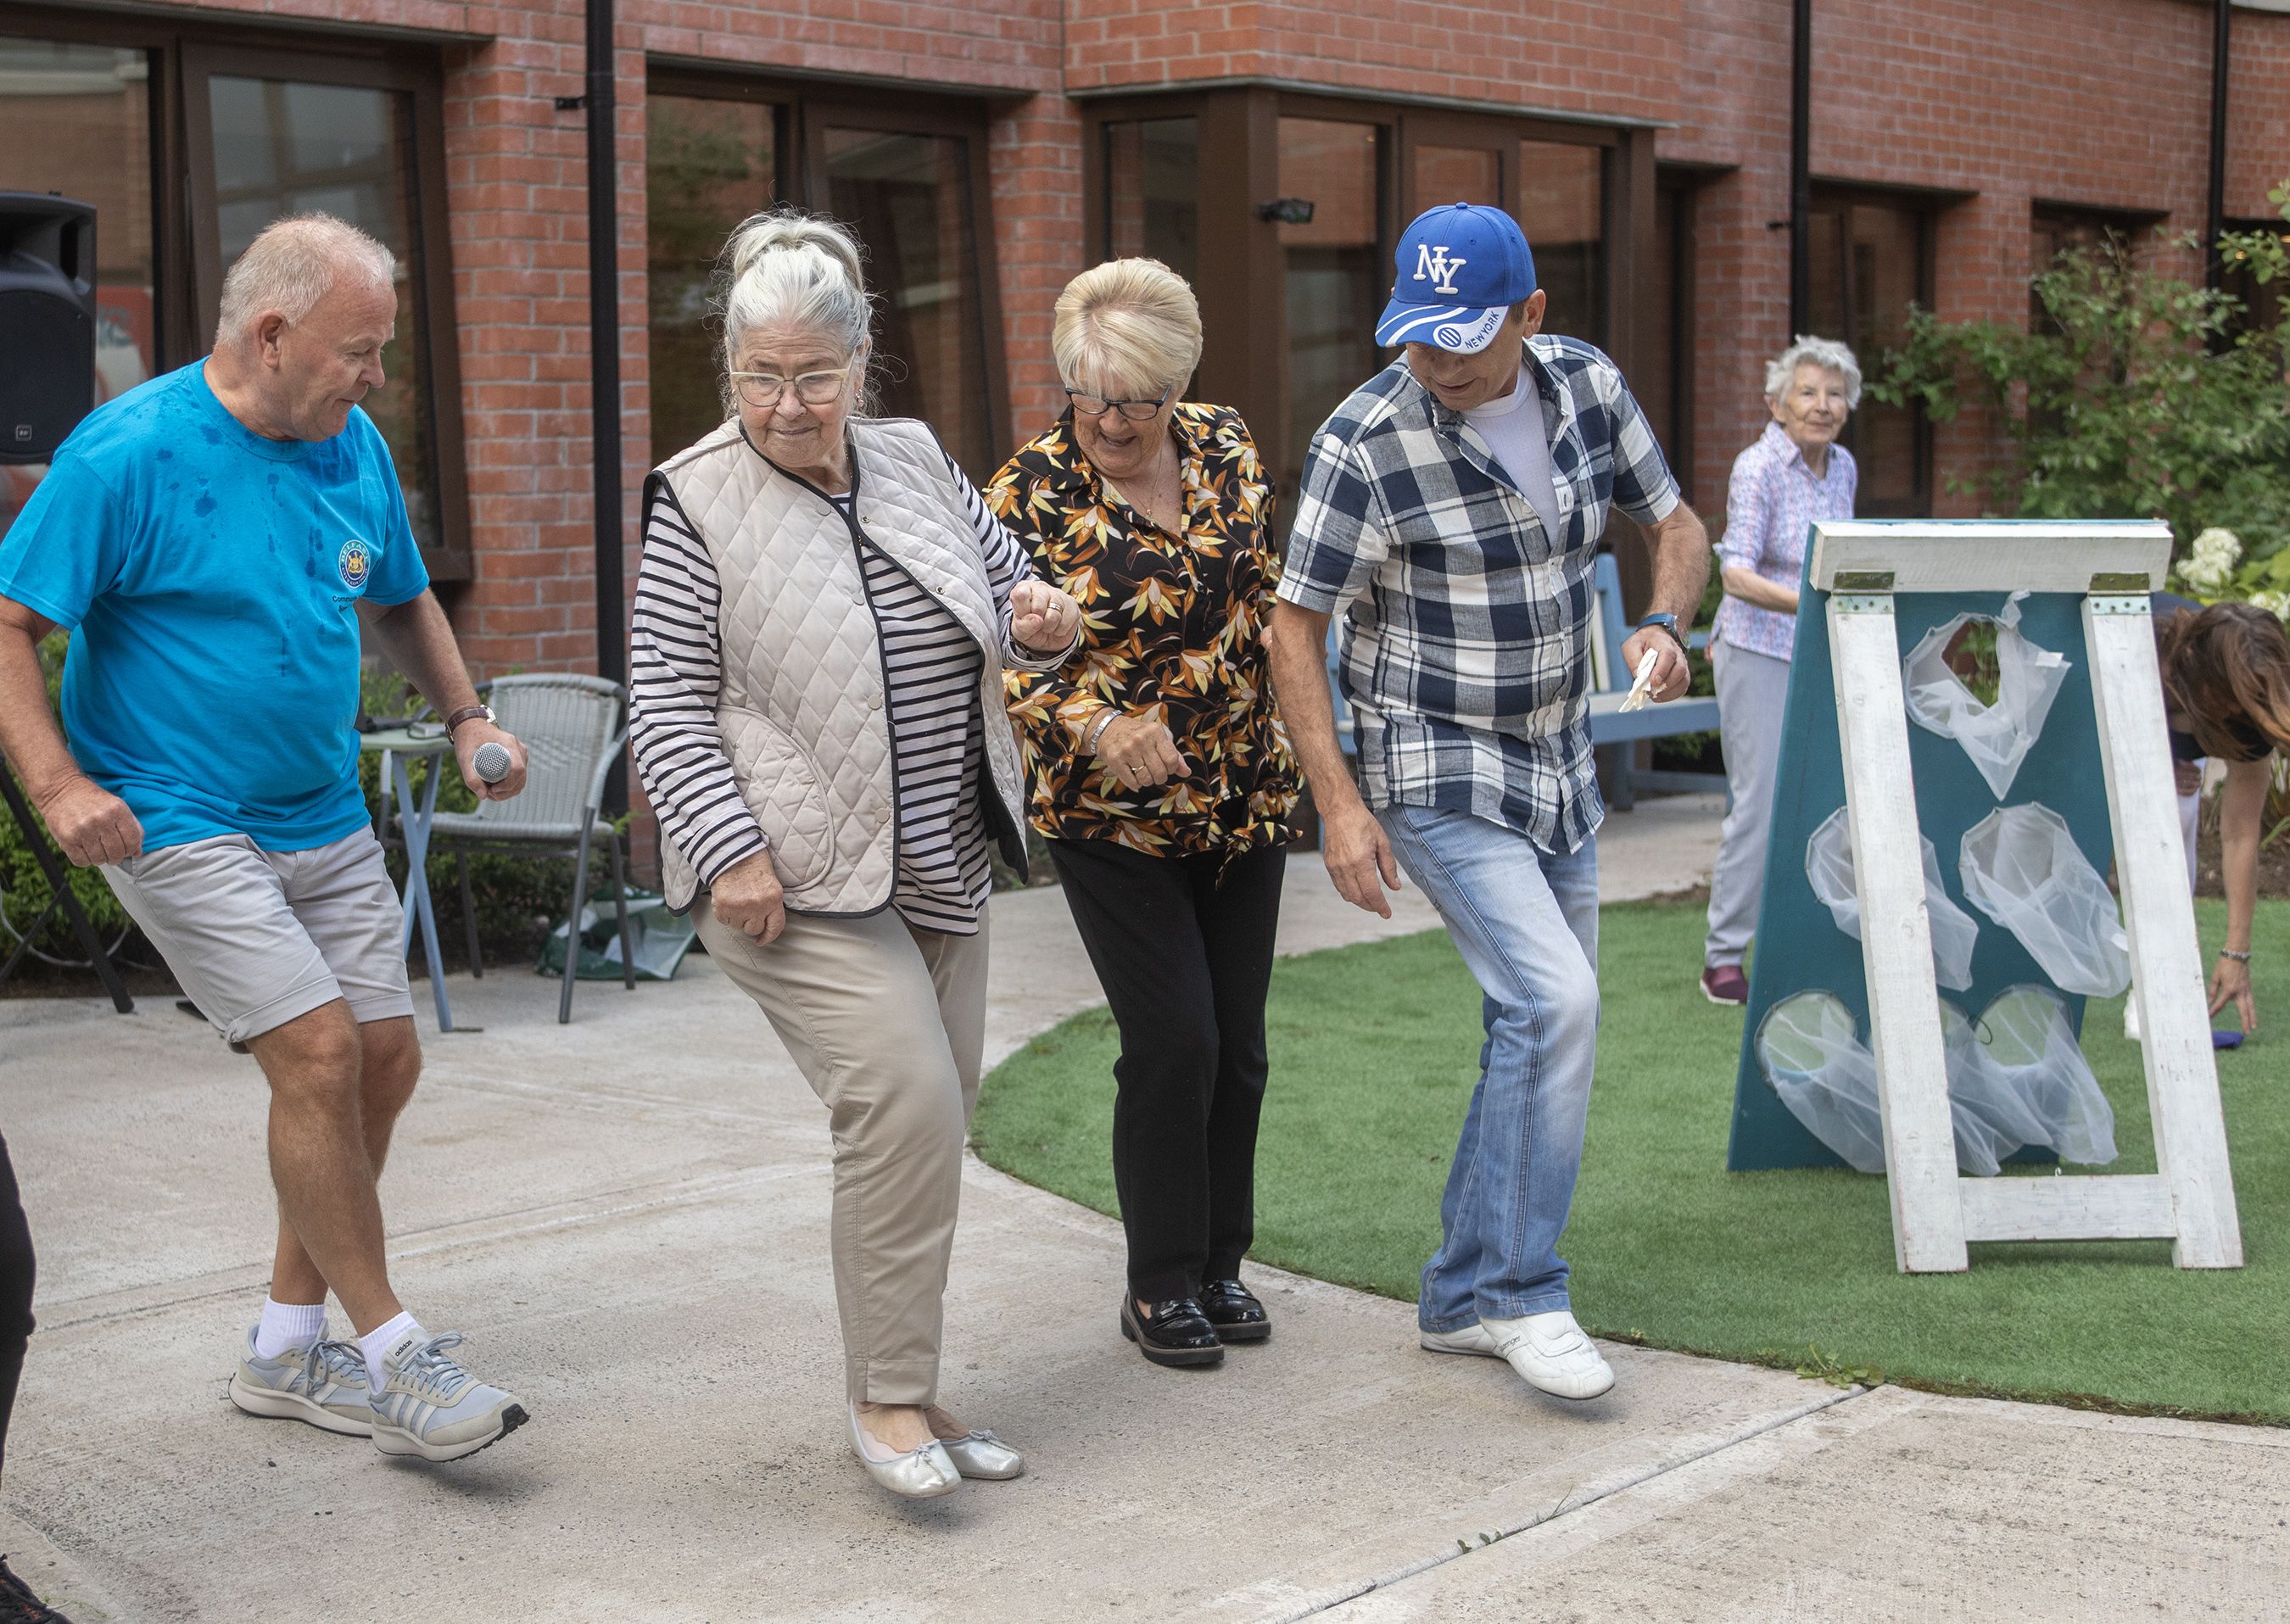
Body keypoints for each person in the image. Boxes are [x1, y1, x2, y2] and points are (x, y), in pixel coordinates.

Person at [0, 215, 531, 1463]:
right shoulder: (126, 453)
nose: (377, 376)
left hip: (318, 806)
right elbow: (9, 622)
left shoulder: (350, 446)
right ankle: (397, 1350)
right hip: (171, 806)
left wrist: (464, 714)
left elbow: (398, 592)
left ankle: (289, 1343)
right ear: (273, 332)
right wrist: (60, 783)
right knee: (316, 1048)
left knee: (383, 1060)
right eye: (362, 350)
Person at [628, 208, 1082, 1498]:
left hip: (939, 852)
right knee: (904, 1099)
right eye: (760, 377)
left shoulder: (918, 458)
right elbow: (664, 697)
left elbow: (1009, 597)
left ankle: (916, 1384)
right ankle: (885, 1405)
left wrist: (1042, 619)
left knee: (933, 1130)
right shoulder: (695, 498)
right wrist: (727, 846)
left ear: (861, 360)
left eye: (811, 375)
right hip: (792, 877)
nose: (786, 403)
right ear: (731, 369)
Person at [1265, 204, 1709, 1404]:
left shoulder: (1586, 386)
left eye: (1466, 335)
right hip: (1433, 759)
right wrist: (1340, 805)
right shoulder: (1364, 440)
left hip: (1557, 756)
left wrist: (1665, 620)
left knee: (1535, 1021)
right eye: (1417, 334)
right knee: (1557, 999)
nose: (1440, 362)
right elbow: (1292, 624)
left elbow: (1673, 519)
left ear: (1532, 315)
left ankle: (1463, 1292)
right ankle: (1521, 1292)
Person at [988, 260, 1302, 1370]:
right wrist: (1093, 719)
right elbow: (996, 653)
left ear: (1180, 386)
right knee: (1175, 1037)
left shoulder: (1226, 445)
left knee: (1241, 1050)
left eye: (1139, 398)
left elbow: (1265, 598)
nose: (1114, 419)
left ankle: (1221, 1260)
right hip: (1111, 814)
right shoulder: (1025, 492)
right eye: (1092, 393)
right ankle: (1160, 1278)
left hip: (1243, 791)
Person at [1698, 338, 1861, 1006]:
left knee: (1826, 802)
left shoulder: (1843, 466)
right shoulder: (1757, 466)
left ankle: (1804, 944)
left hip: (1822, 650)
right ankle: (1723, 959)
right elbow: (1735, 574)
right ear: (1776, 404)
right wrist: (1814, 602)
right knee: (1760, 807)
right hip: (1759, 648)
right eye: (1808, 392)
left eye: (1834, 393)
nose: (1822, 406)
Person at [2151, 595, 2290, 1035]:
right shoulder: (2143, 650)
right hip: (2091, 732)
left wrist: (2236, 953)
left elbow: (2240, 835)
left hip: (2175, 759)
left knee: (2177, 816)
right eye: (2232, 697)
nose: (2239, 712)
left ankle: (2161, 981)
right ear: (2196, 665)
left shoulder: (2253, 711)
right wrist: (2152, 759)